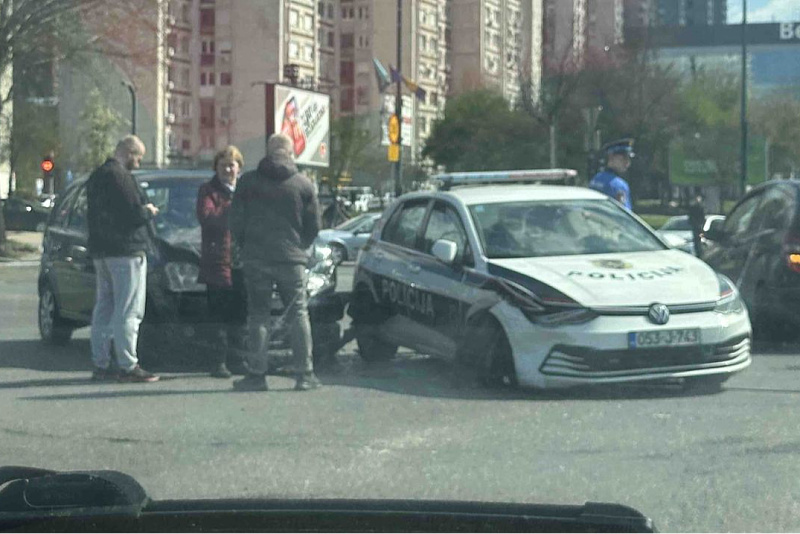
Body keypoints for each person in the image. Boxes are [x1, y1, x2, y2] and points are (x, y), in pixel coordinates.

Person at [230, 134, 322, 392]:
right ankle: (305, 374)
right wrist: (299, 246)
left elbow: (235, 220)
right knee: (298, 314)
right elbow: (314, 225)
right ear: (291, 153)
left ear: (268, 152)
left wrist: (245, 244)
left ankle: (257, 375)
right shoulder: (303, 184)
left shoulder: (248, 182)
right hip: (291, 259)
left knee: (258, 315)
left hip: (256, 258)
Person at [86, 135, 160, 383]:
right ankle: (128, 365)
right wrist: (148, 211)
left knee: (104, 308)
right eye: (137, 157)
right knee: (129, 310)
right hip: (127, 252)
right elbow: (131, 213)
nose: (138, 163)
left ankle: (101, 363)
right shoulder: (121, 177)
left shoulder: (97, 176)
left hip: (101, 250)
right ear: (128, 152)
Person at [197, 146, 249, 378]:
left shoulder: (246, 191)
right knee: (218, 315)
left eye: (232, 165)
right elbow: (207, 218)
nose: (228, 169)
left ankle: (238, 360)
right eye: (223, 165)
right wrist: (231, 207)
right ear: (216, 168)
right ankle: (217, 362)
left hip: (244, 262)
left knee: (240, 315)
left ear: (239, 168)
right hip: (218, 261)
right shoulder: (208, 191)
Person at [589, 138, 634, 210]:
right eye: (624, 158)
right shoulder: (619, 185)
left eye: (629, 159)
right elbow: (624, 216)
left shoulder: (595, 179)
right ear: (611, 157)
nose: (627, 163)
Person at [687, 194, 706, 259]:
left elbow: (702, 218)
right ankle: (699, 252)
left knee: (698, 239)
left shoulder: (699, 208)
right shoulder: (694, 208)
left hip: (698, 227)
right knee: (697, 240)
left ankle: (700, 252)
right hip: (697, 227)